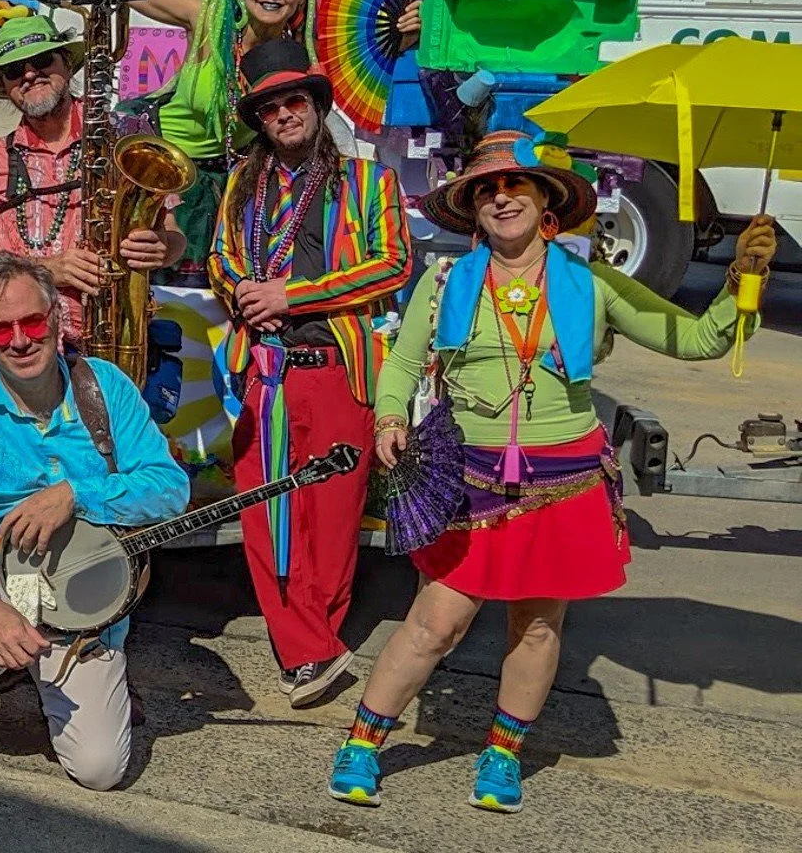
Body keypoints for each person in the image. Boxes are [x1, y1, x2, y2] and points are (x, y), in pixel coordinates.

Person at [327, 132, 774, 813]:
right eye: (486, 191)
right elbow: (402, 363)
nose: (501, 198)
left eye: (515, 187)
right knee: (435, 622)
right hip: (467, 478)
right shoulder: (446, 282)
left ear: (545, 204)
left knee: (537, 626)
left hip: (565, 479)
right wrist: (390, 416)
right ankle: (363, 742)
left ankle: (502, 756)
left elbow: (697, 339)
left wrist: (744, 281)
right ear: (473, 210)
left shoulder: (593, 285)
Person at [52, 0, 422, 265]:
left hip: (229, 182)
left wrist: (402, 37)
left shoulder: (298, 59)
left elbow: (362, 60)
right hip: (156, 165)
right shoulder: (208, 20)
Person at [0, 253, 188, 791]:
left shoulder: (106, 389)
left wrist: (77, 494)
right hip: (4, 581)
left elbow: (171, 489)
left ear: (58, 321)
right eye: (2, 328)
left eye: (33, 322)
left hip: (90, 597)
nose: (19, 340)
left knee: (99, 772)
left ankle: (52, 674)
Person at [209, 40, 412, 706]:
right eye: (269, 106)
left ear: (317, 106)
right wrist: (242, 286)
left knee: (331, 520)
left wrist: (292, 295)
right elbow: (218, 256)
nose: (284, 113)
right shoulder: (242, 182)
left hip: (336, 371)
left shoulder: (367, 182)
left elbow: (392, 264)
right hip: (263, 372)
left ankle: (310, 646)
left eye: (294, 99)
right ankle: (309, 653)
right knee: (266, 520)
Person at [0, 14, 185, 357]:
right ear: (5, 86)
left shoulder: (125, 135)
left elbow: (174, 237)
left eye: (43, 61)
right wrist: (47, 269)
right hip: (18, 351)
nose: (29, 74)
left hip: (115, 343)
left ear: (67, 63)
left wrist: (161, 247)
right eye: (14, 71)